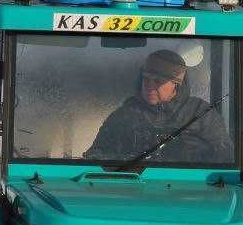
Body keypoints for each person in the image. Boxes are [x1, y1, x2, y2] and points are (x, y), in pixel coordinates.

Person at [84, 49, 230, 163]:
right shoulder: (125, 115)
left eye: (158, 81)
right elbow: (95, 156)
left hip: (187, 189)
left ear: (176, 84)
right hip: (133, 188)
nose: (150, 86)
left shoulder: (201, 114)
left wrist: (192, 151)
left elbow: (225, 157)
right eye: (146, 79)